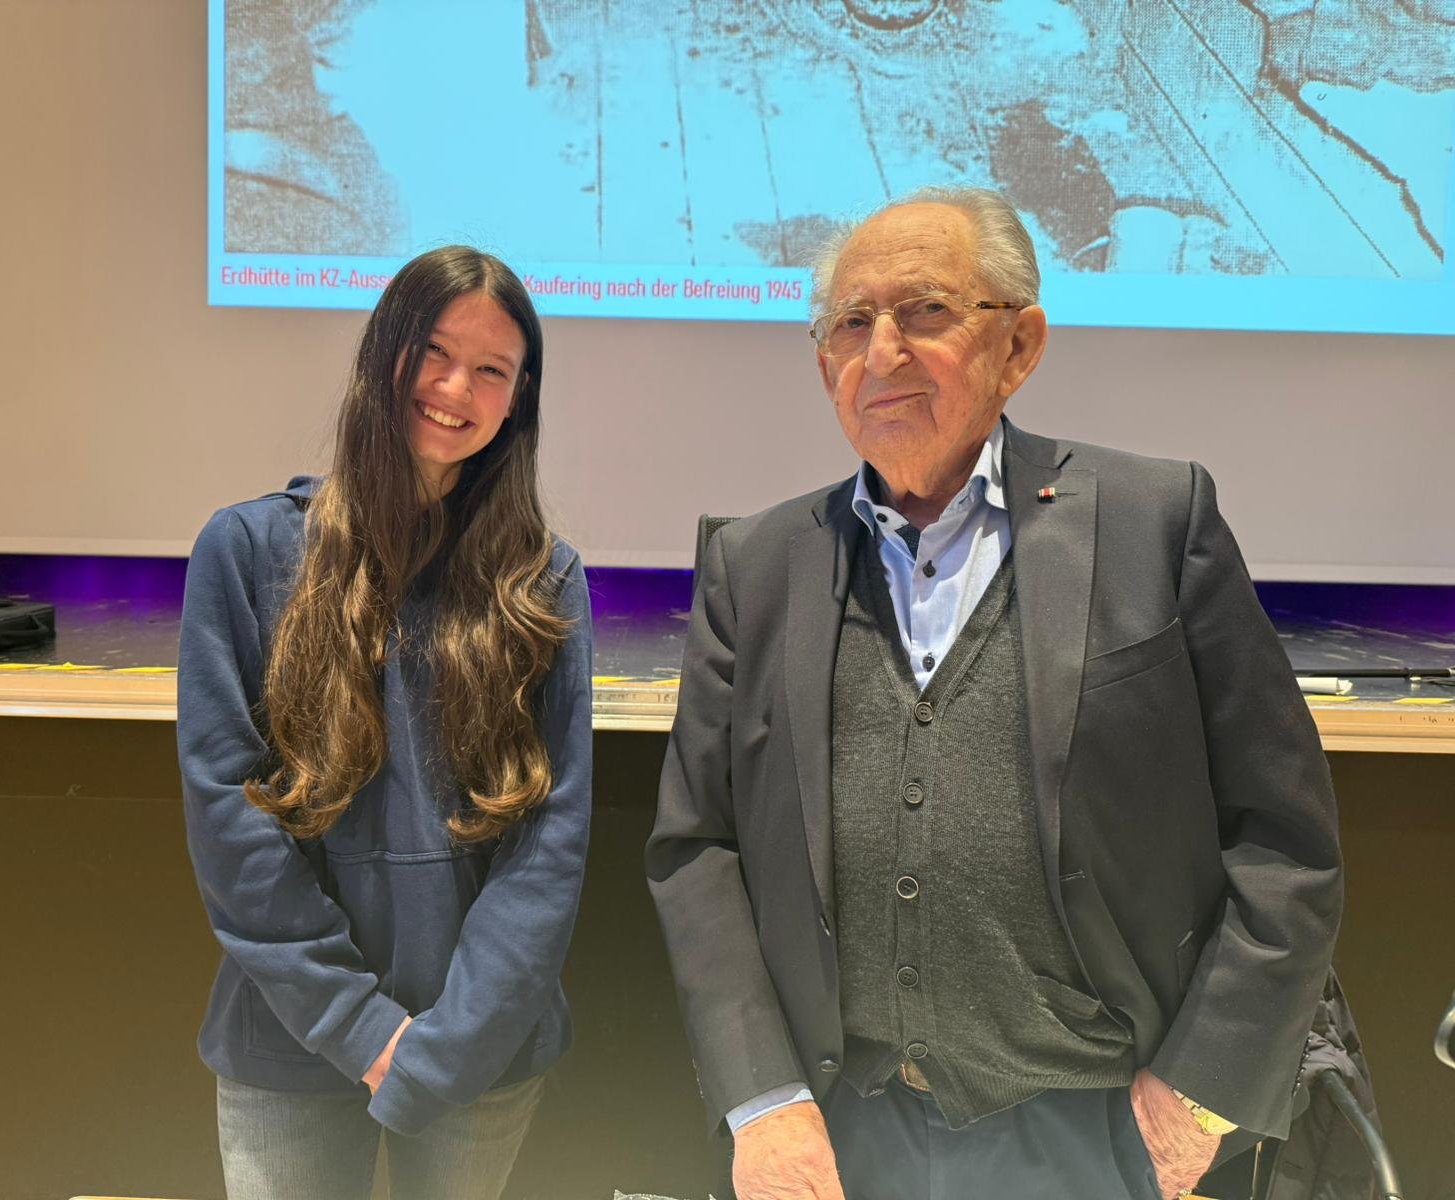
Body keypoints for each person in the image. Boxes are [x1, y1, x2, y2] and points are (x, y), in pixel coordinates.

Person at [646, 188, 1342, 1200]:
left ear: (1019, 345)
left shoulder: (1153, 522)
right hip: (841, 1141)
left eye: (925, 311)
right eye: (851, 323)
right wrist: (762, 1101)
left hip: (1102, 1134)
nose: (881, 351)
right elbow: (696, 850)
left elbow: (1285, 837)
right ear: (825, 366)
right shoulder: (755, 566)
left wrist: (1199, 1098)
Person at [177, 245, 593, 1200]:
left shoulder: (544, 583)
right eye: (434, 352)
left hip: (480, 1055)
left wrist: (447, 1052)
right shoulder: (246, 551)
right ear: (383, 354)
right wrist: (362, 1034)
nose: (456, 389)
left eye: (492, 369)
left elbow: (549, 845)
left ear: (518, 400)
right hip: (288, 1043)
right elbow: (231, 821)